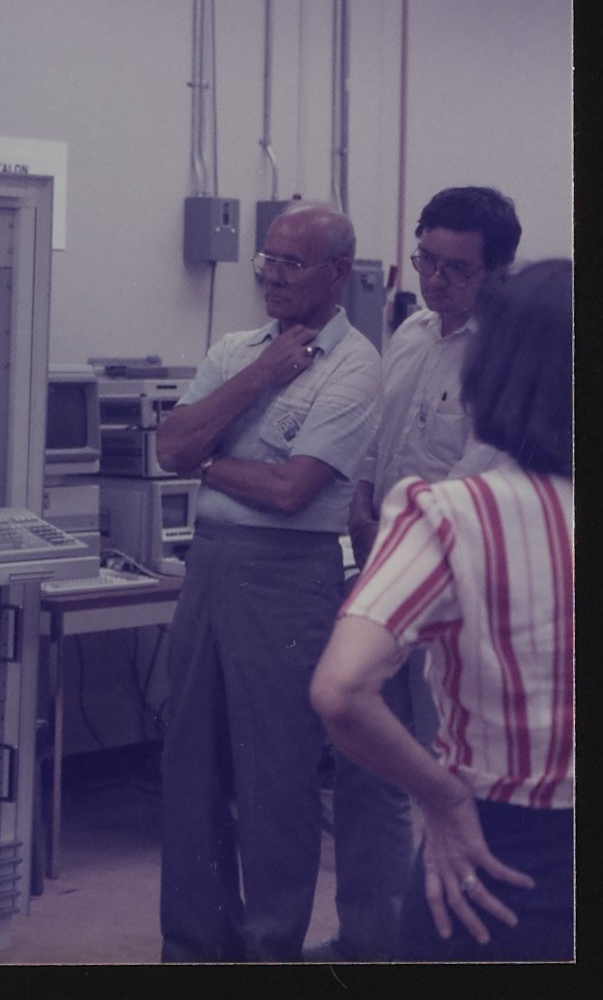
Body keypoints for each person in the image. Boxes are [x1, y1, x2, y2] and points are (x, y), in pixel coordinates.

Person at [311, 259, 573, 961]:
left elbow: (341, 690)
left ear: (495, 371)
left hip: (503, 856)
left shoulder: (454, 514)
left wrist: (444, 798)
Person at [153, 201, 382, 962]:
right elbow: (169, 447)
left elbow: (291, 491)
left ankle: (269, 951)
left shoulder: (356, 367)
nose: (272, 278)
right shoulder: (235, 350)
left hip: (288, 576)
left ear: (337, 273)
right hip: (210, 564)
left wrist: (211, 461)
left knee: (274, 777)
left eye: (291, 263)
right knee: (189, 765)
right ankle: (195, 947)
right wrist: (259, 375)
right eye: (267, 261)